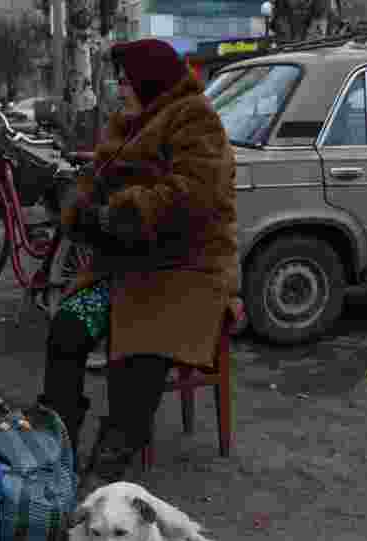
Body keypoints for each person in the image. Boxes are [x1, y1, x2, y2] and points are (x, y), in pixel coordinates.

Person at [39, 38, 238, 487]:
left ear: (150, 80)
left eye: (126, 80)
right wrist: (77, 207)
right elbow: (98, 181)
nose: (120, 87)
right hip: (125, 266)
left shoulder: (196, 118)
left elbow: (194, 195)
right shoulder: (126, 123)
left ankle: (107, 469)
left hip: (185, 270)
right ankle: (56, 449)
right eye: (119, 79)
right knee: (67, 329)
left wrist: (121, 213)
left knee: (139, 354)